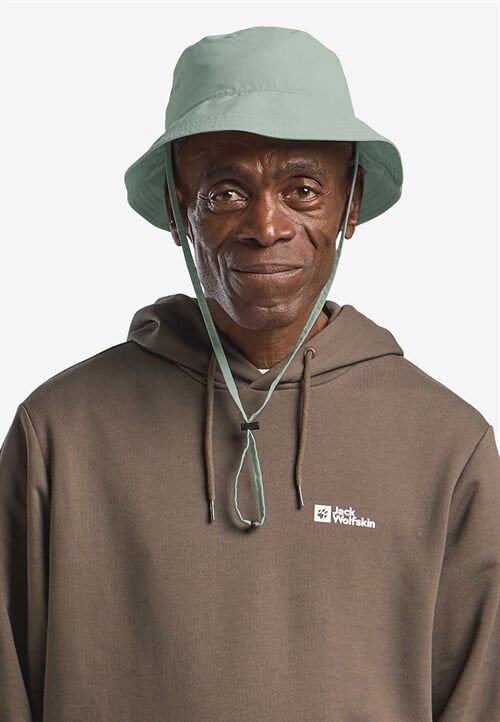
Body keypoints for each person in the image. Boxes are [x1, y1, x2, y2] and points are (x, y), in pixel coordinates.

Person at [1, 25, 498, 722]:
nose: (266, 226)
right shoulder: (58, 432)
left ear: (351, 203)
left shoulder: (448, 445)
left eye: (303, 189)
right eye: (225, 193)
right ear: (176, 208)